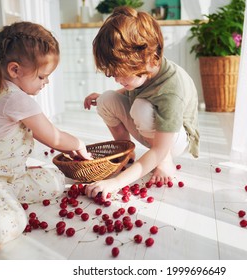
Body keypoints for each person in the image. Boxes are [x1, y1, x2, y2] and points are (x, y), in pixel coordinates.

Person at [0, 21, 91, 260]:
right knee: (12, 218)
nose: (46, 82)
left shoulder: (5, 91)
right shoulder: (16, 99)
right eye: (42, 76)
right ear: (15, 70)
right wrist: (78, 144)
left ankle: (1, 195)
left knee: (54, 180)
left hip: (1, 177)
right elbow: (54, 136)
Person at [83, 7, 199, 199]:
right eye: (113, 73)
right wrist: (106, 96)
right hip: (153, 129)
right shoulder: (144, 71)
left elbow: (160, 147)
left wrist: (116, 183)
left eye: (120, 73)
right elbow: (137, 90)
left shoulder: (171, 88)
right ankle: (126, 152)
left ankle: (164, 162)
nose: (116, 79)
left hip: (174, 139)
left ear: (147, 58)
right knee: (106, 99)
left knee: (141, 108)